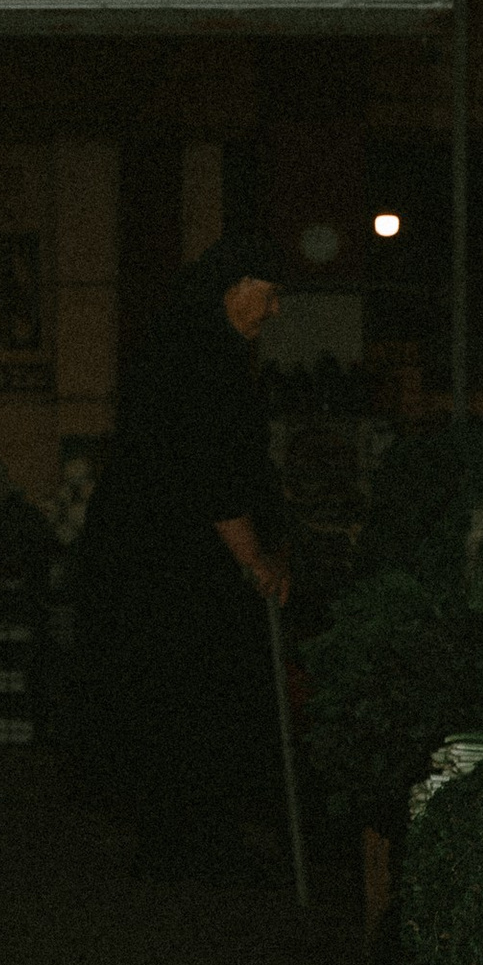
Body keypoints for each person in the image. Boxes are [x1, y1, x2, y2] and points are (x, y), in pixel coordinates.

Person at [74, 232, 290, 883]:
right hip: (176, 568)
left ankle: (179, 836)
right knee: (194, 697)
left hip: (156, 561)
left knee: (172, 698)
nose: (274, 310)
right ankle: (193, 841)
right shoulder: (205, 363)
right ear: (235, 289)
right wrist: (256, 558)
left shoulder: (183, 349)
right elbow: (214, 473)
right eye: (269, 294)